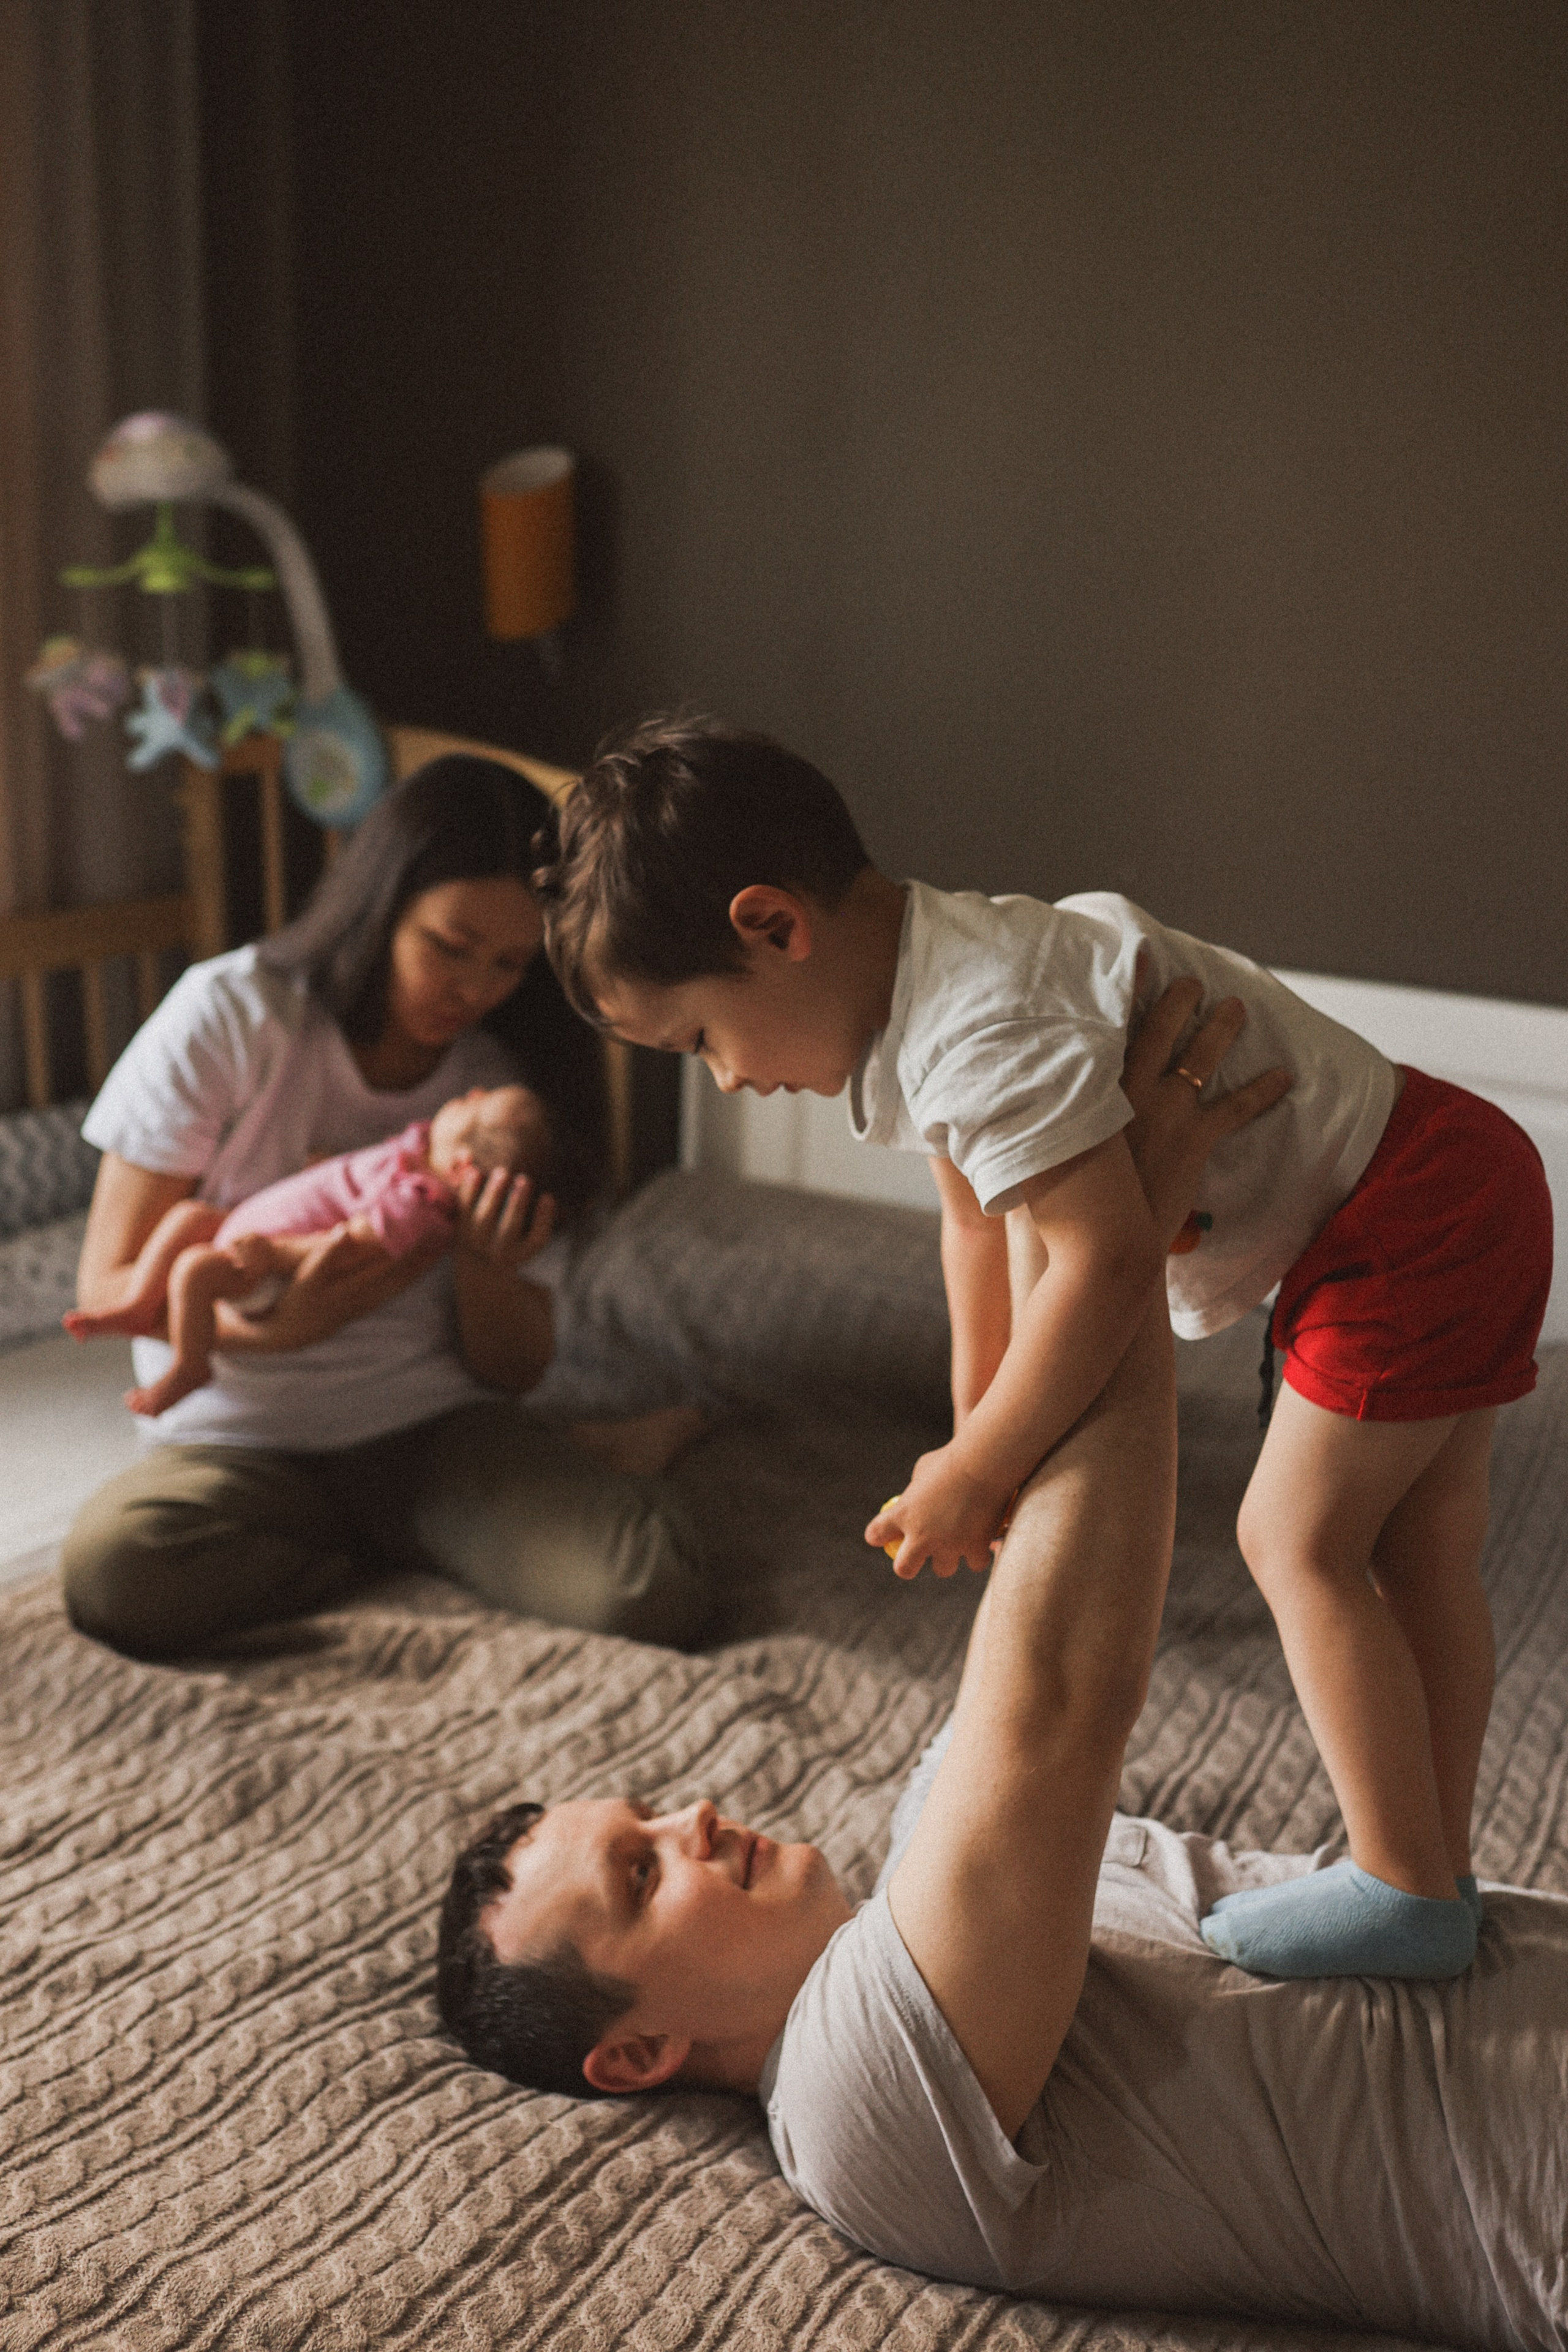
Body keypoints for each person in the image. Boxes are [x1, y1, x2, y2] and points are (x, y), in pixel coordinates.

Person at [434, 992, 1568, 2351]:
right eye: (641, 1875)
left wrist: (1000, 1173)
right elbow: (1062, 1691)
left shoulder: (928, 1843)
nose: (693, 1823)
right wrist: (1110, 1228)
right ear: (634, 2058)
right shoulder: (850, 2107)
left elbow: (1032, 1509)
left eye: (647, 1816)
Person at [531, 714, 1553, 1981]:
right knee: (1414, 1554)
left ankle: (1401, 1885)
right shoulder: (946, 986)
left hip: (1403, 1211)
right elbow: (975, 1223)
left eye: (698, 1042)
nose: (726, 1084)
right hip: (1443, 1172)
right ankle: (1434, 1873)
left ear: (771, 926)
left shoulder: (982, 1021)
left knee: (1292, 1542)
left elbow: (1100, 1258)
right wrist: (980, 1438)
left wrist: (978, 1467)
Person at [61, 754, 710, 1664]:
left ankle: (423, 1517)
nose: (475, 988)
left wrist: (486, 1268)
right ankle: (383, 1539)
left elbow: (514, 1367)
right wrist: (275, 1335)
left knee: (655, 1587)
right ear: (380, 902)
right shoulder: (233, 1017)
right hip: (236, 1438)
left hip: (426, 1427)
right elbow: (110, 1282)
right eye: (450, 946)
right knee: (115, 1578)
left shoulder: (502, 1098)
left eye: (509, 964)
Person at [66, 1081, 557, 1417]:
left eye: (477, 1104)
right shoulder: (415, 1155)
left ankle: (190, 1365)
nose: (471, 1091)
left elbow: (349, 1245)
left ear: (464, 1166)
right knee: (188, 1218)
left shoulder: (418, 1204)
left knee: (195, 1271)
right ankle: (135, 1305)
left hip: (274, 1268)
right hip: (250, 1233)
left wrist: (277, 1254)